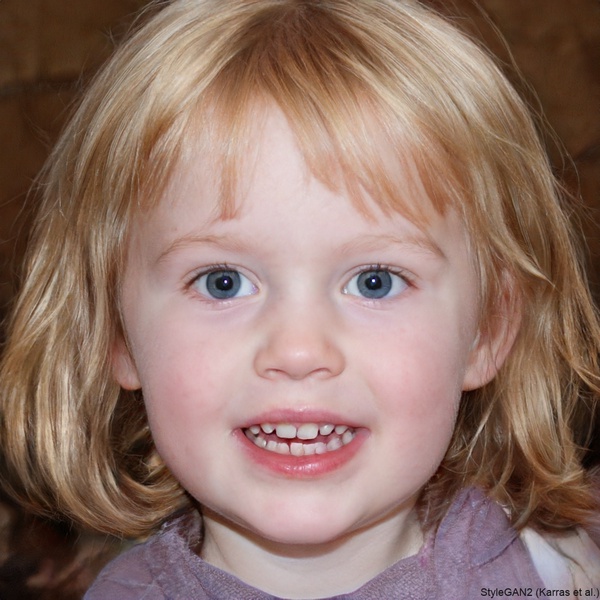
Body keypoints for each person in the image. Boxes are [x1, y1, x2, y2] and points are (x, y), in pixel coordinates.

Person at [1, 0, 599, 597]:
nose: (298, 350)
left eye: (375, 280)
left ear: (488, 328)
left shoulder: (567, 573)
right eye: (222, 281)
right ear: (116, 332)